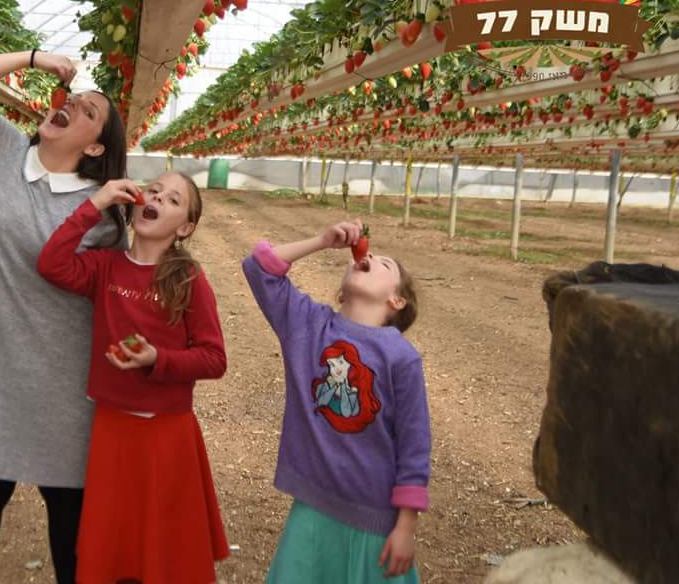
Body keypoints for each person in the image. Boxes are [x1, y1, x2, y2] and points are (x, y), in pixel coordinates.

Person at [0, 51, 128, 583]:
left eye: (89, 111)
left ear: (95, 147)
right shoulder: (3, 151)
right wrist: (34, 59)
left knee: (70, 521)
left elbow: (116, 296)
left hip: (65, 386)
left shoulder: (103, 212)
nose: (72, 104)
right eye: (74, 98)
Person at [37, 171, 229, 584]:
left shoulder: (188, 280)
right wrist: (96, 204)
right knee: (116, 546)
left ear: (185, 228)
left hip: (166, 435)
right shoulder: (105, 267)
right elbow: (51, 263)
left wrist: (158, 359)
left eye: (173, 199)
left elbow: (214, 359)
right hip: (112, 429)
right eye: (153, 190)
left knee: (163, 551)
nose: (157, 198)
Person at [241, 220, 430, 583]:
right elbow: (259, 266)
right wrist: (322, 239)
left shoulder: (401, 357)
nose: (368, 256)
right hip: (312, 508)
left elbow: (414, 446)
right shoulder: (308, 325)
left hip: (374, 519)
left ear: (396, 301)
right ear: (341, 294)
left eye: (384, 264)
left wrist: (406, 526)